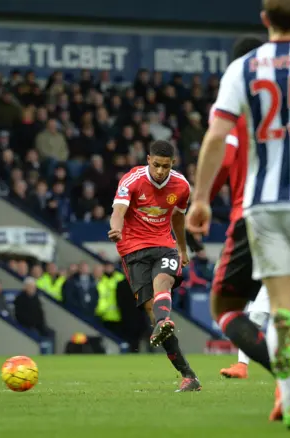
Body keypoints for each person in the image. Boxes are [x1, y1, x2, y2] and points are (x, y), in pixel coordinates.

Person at [187, 0, 290, 429]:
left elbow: (217, 135)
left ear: (264, 20)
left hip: (261, 206)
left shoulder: (244, 68)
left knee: (262, 306)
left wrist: (200, 199)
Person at [109, 140, 200, 392]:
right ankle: (189, 376)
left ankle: (163, 321)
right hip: (133, 249)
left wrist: (182, 248)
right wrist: (115, 228)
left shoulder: (181, 185)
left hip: (164, 244)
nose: (160, 171)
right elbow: (118, 209)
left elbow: (179, 218)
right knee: (151, 309)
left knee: (164, 281)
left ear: (173, 164)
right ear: (148, 159)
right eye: (157, 165)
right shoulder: (132, 179)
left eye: (166, 166)